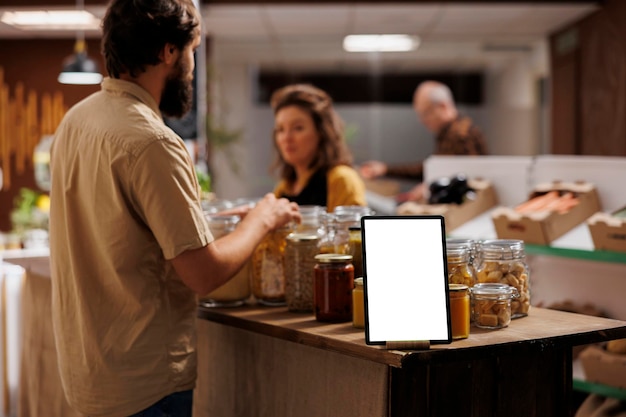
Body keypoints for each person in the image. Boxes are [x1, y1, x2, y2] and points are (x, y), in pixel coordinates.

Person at [48, 1, 300, 416]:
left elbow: (124, 228)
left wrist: (216, 222)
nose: (192, 65)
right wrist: (262, 220)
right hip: (145, 383)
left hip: (90, 374)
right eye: (192, 50)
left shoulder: (77, 119)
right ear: (169, 52)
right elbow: (203, 275)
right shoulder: (154, 142)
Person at [359, 80, 488, 202]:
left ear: (443, 106)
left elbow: (470, 178)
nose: (422, 120)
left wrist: (429, 186)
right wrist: (385, 169)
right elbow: (433, 168)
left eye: (426, 113)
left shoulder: (461, 134)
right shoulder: (449, 133)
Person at [270, 83, 367, 212]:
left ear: (321, 132)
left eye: (298, 128)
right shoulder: (283, 189)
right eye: (280, 129)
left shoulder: (341, 180)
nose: (286, 138)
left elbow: (352, 230)